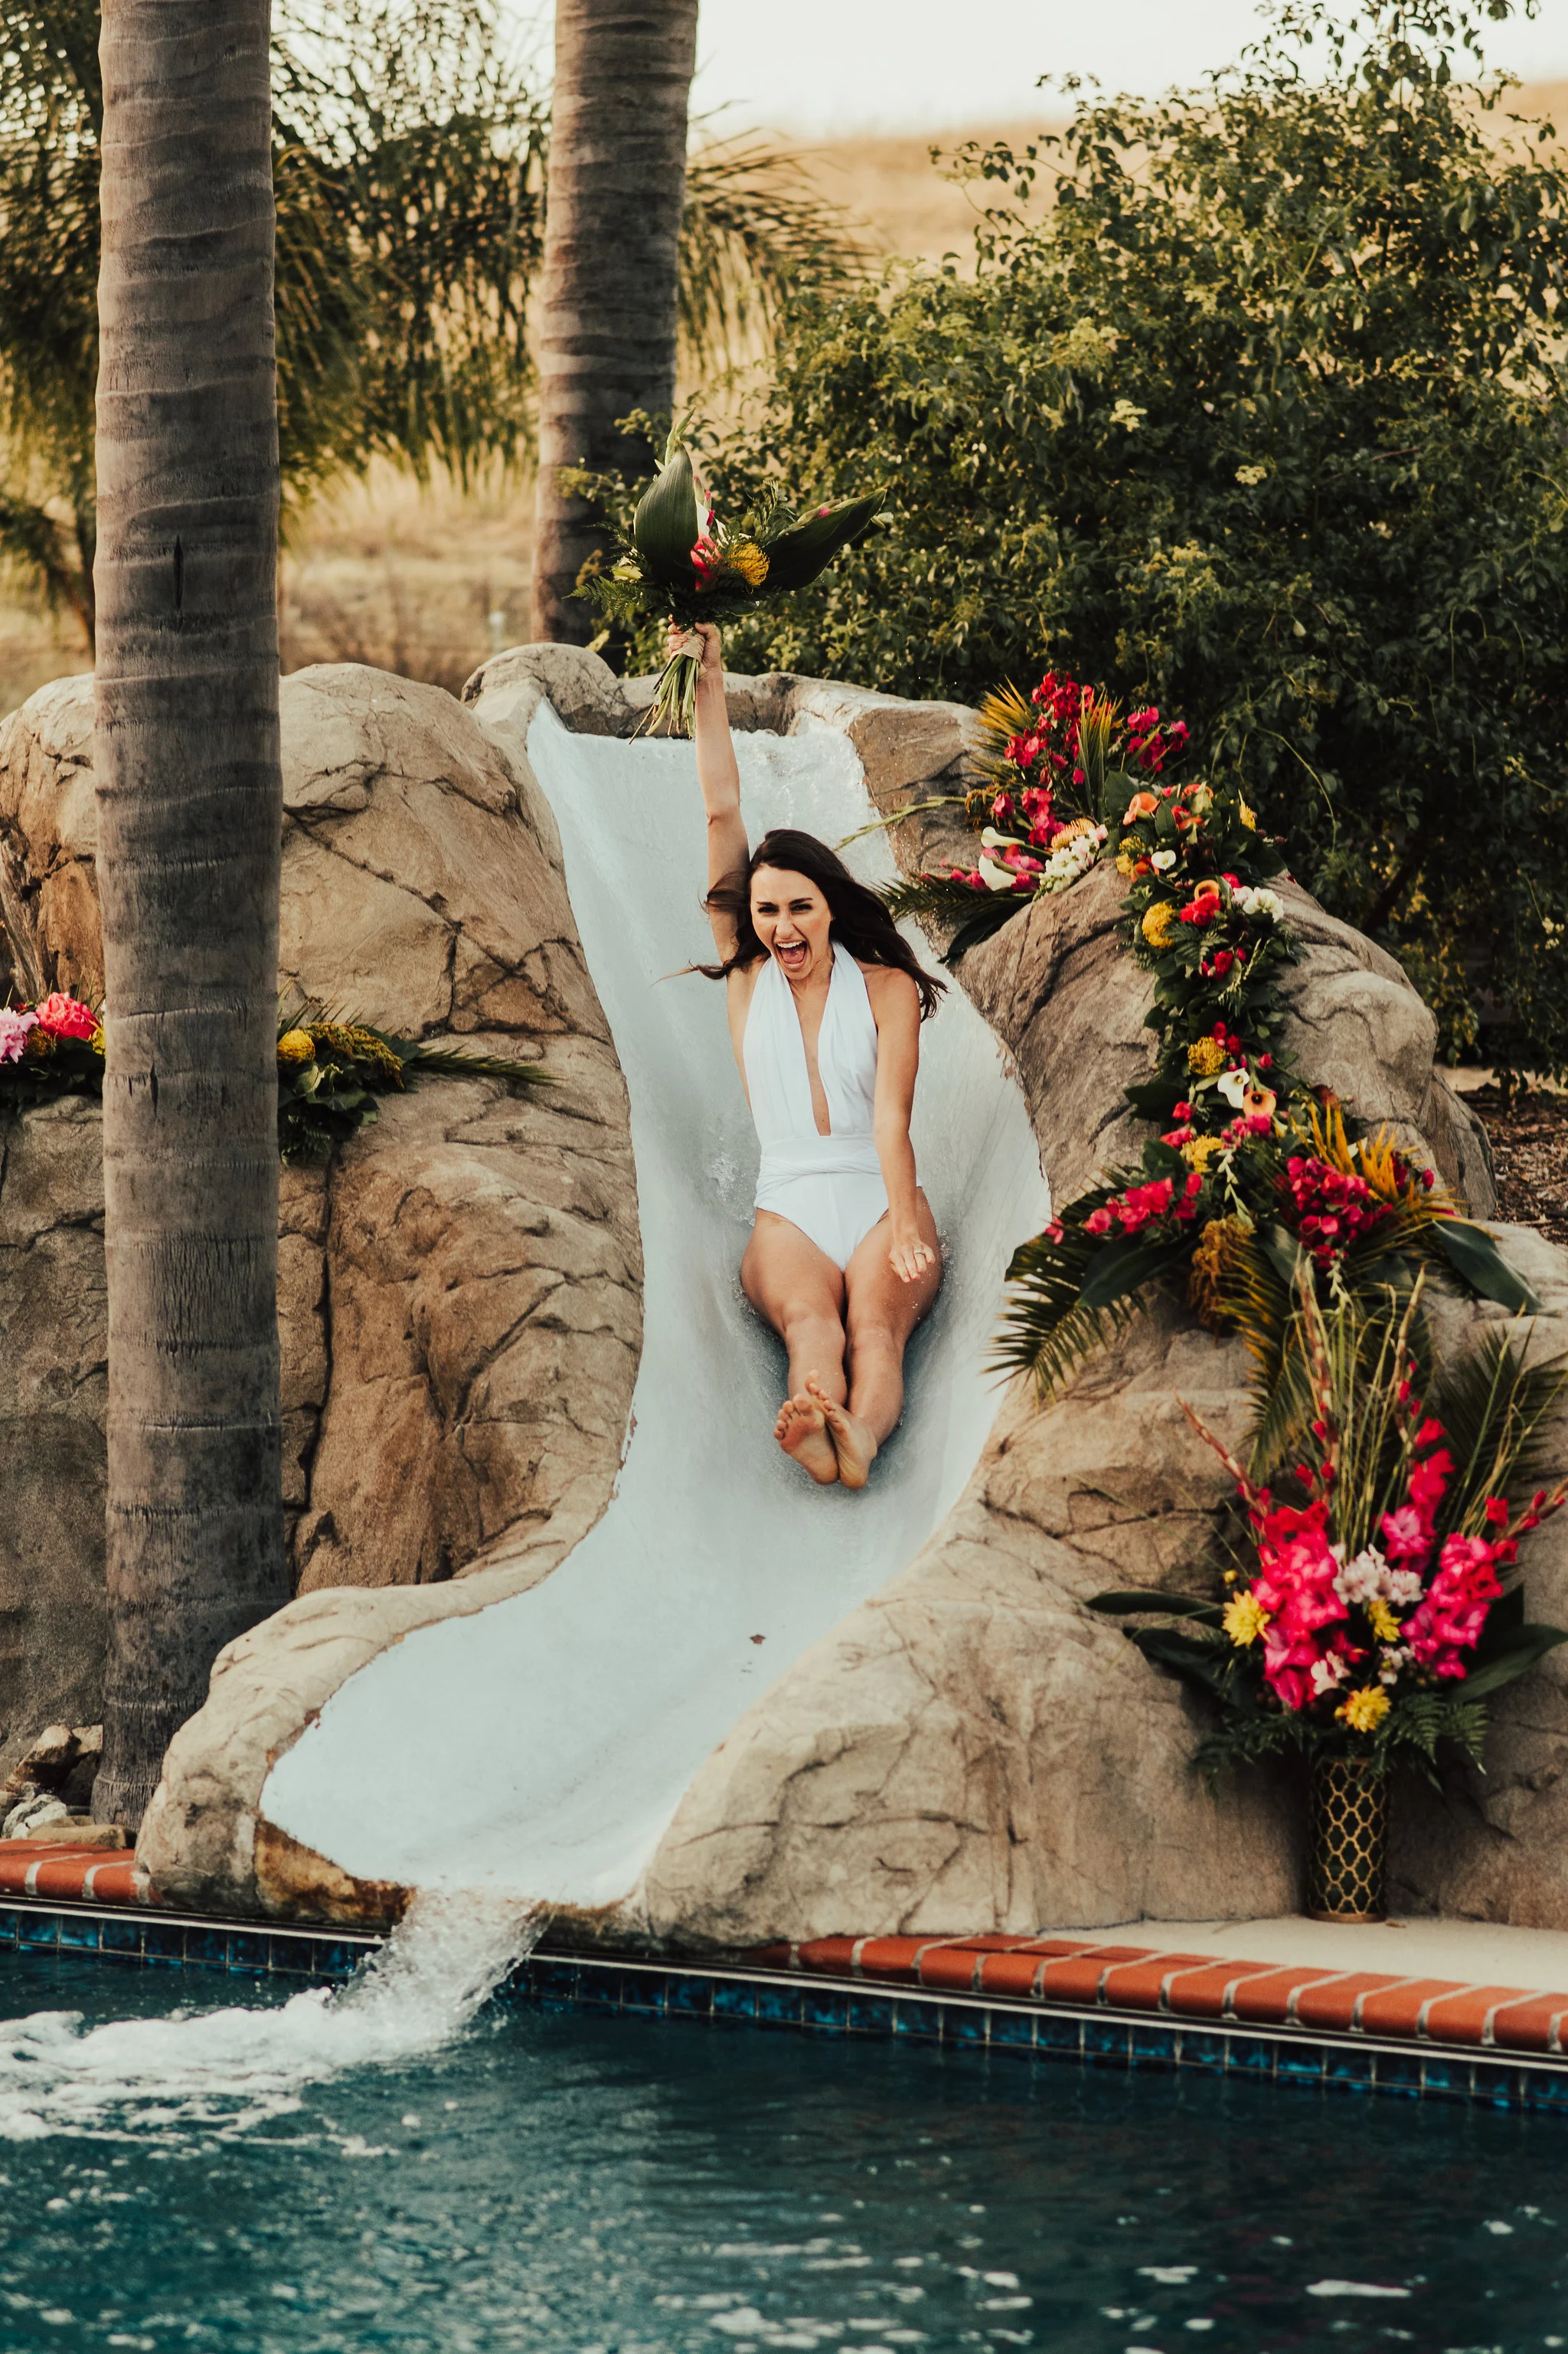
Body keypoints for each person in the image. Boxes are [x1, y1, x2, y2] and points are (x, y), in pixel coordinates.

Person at [677, 620, 945, 1488]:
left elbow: (892, 1118)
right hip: (786, 1204)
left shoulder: (885, 988)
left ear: (829, 906)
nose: (781, 927)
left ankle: (858, 1434)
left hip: (876, 1196)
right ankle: (818, 1417)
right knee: (811, 1327)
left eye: (798, 907)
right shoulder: (746, 980)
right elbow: (722, 810)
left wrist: (905, 1220)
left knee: (873, 1327)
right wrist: (706, 687)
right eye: (766, 912)